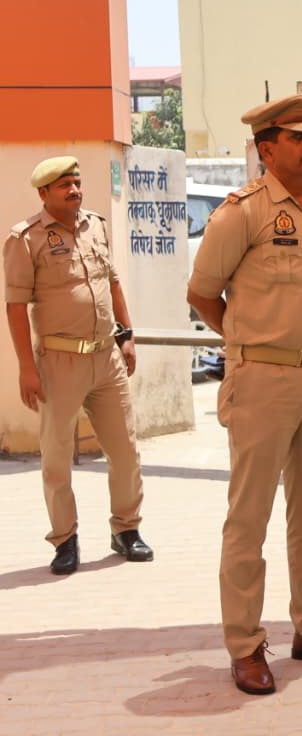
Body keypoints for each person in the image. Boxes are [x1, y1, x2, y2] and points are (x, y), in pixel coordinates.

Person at [187, 94, 302, 696]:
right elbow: (202, 293)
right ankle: (244, 643)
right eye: (298, 137)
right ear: (267, 149)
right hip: (262, 379)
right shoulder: (240, 214)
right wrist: (248, 340)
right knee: (250, 516)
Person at [4, 156, 152, 576]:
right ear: (44, 194)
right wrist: (26, 368)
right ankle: (64, 540)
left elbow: (112, 283)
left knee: (125, 450)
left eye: (76, 182)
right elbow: (15, 307)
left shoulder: (96, 226)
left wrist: (127, 336)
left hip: (106, 357)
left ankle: (127, 529)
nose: (74, 190)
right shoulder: (25, 238)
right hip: (59, 361)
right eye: (64, 185)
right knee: (56, 457)